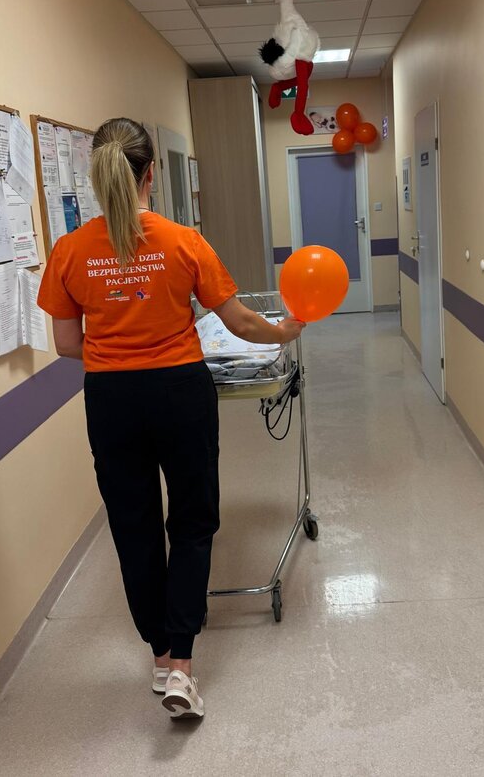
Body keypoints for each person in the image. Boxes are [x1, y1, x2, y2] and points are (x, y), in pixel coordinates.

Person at [37, 117, 304, 720]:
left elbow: (66, 343)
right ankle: (182, 663)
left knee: (132, 526)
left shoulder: (70, 250)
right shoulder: (184, 241)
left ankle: (159, 655)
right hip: (180, 392)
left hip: (111, 398)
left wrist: (118, 347)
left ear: (97, 174)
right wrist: (283, 331)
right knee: (192, 519)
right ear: (151, 173)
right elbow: (239, 322)